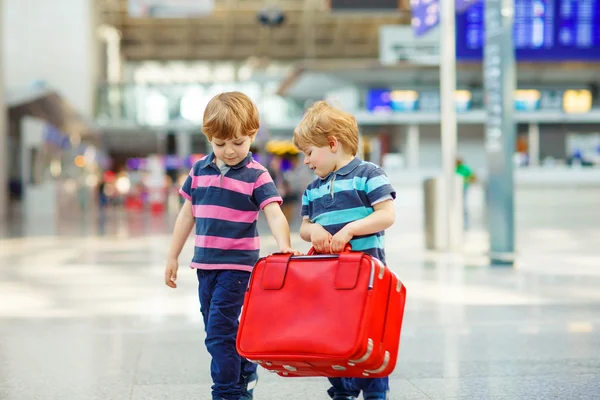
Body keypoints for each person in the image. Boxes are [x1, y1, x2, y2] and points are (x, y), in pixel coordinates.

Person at [164, 92, 299, 400]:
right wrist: (172, 256)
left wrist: (284, 245)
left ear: (252, 134)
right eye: (220, 143)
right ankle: (246, 368)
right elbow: (188, 214)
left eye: (238, 142)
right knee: (215, 328)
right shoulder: (199, 170)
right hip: (205, 266)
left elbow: (274, 213)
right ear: (209, 138)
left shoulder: (256, 175)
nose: (229, 151)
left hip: (237, 267)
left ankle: (226, 392)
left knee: (218, 334)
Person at [293, 101, 396, 400]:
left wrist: (350, 229)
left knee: (369, 340)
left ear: (333, 144)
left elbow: (386, 215)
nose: (306, 161)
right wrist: (315, 231)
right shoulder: (313, 188)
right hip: (329, 283)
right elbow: (304, 227)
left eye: (309, 153)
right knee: (333, 341)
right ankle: (342, 391)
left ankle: (375, 393)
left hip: (368, 283)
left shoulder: (369, 174)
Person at [456, 157, 476, 229]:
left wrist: (466, 182)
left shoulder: (464, 168)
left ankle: (466, 225)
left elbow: (473, 177)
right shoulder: (455, 168)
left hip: (463, 189)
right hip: (456, 190)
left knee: (464, 206)